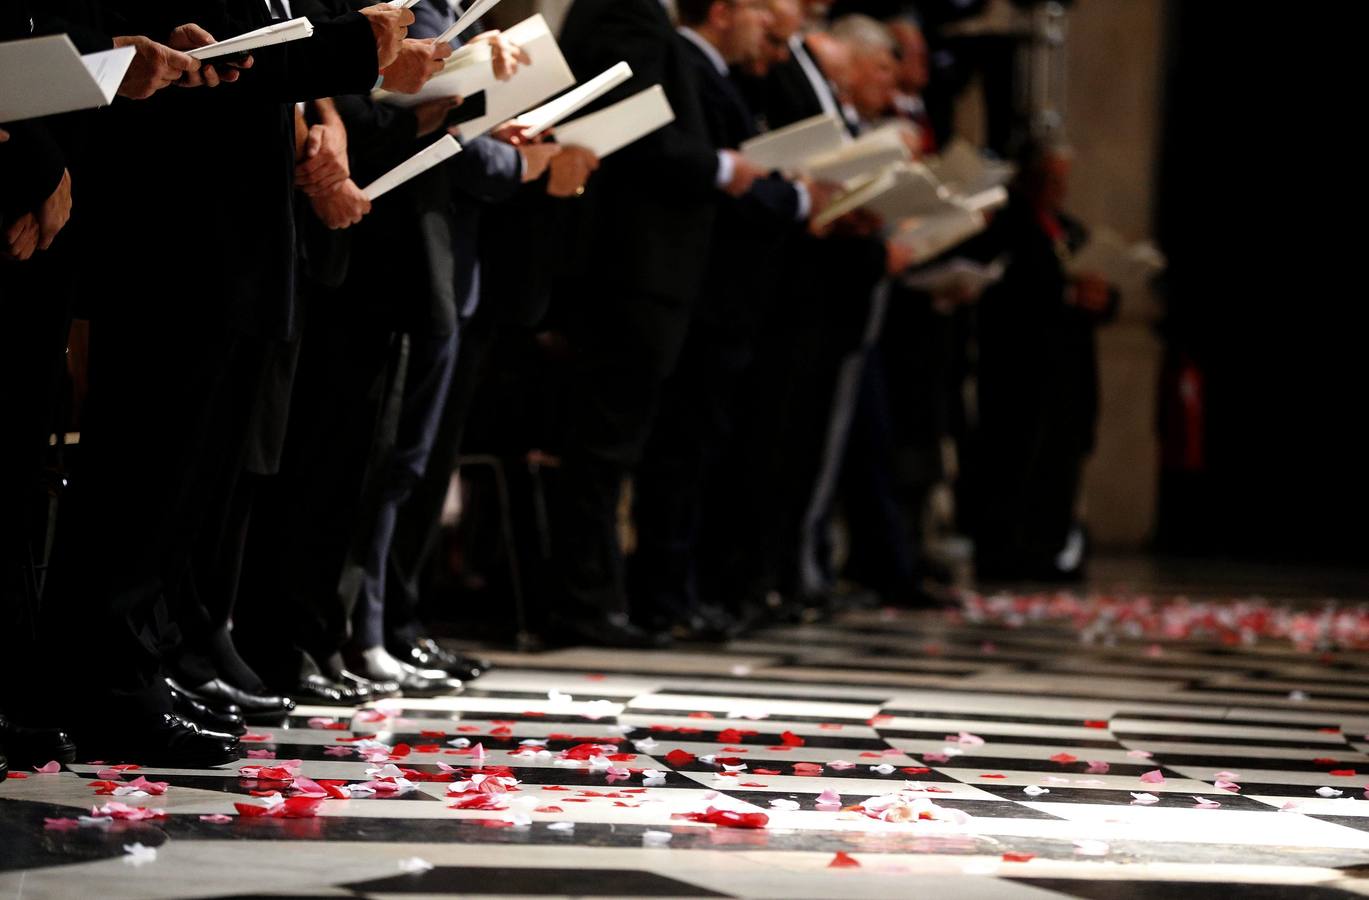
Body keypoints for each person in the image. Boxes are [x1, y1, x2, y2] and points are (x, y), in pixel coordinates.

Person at [38, 0, 413, 765]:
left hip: (235, 227)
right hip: (177, 225)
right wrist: (354, 47)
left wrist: (330, 91)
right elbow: (207, 54)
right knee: (144, 470)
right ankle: (107, 682)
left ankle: (140, 663)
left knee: (187, 479)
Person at [543, 0, 744, 647]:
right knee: (603, 446)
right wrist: (721, 166)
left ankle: (599, 598)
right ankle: (585, 604)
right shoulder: (624, 11)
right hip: (631, 263)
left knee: (611, 444)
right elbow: (629, 131)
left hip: (636, 266)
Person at [962, 140, 1116, 581]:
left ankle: (1051, 551)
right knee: (1012, 462)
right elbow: (1003, 294)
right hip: (1019, 369)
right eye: (1048, 179)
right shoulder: (1008, 227)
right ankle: (1008, 553)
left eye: (1062, 180)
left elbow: (1103, 290)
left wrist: (1102, 298)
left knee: (1059, 468)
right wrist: (1065, 294)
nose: (1057, 189)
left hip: (1069, 373)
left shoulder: (1072, 230)